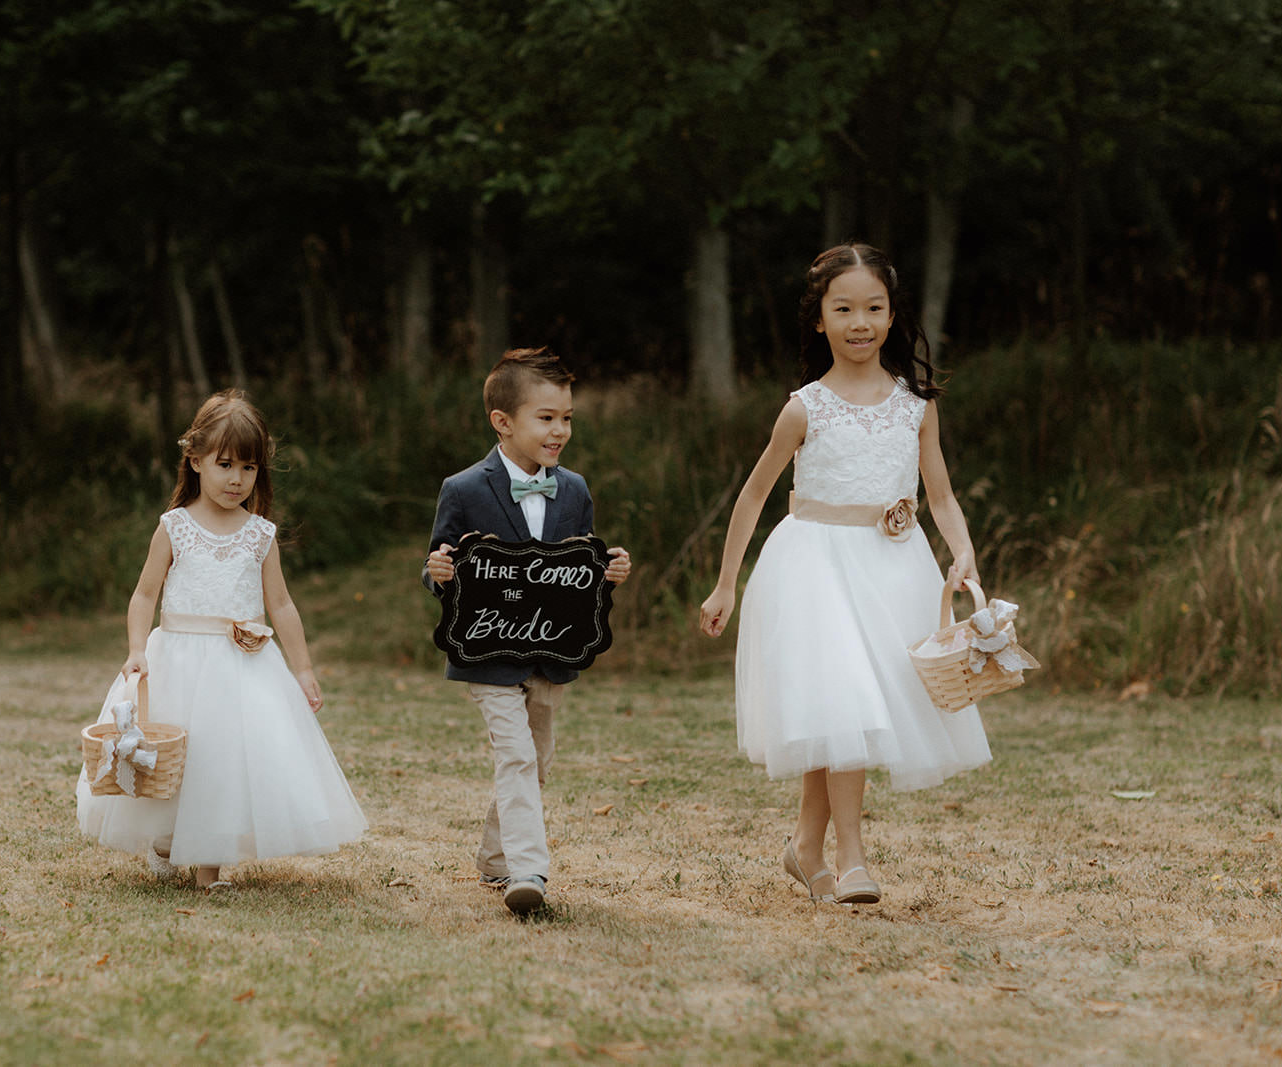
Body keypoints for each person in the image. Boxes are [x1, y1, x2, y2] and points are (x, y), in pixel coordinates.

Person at [698, 244, 991, 906]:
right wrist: (726, 584)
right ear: (821, 320)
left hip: (891, 569)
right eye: (844, 308)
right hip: (813, 566)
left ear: (892, 315)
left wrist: (962, 550)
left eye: (874, 307)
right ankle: (851, 859)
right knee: (847, 702)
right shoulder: (806, 406)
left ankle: (804, 849)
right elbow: (751, 496)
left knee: (844, 712)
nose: (861, 322)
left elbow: (939, 494)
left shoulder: (916, 404)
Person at [77, 390, 366, 888]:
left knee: (222, 762)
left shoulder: (260, 534)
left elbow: (282, 604)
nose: (237, 479)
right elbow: (144, 596)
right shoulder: (175, 527)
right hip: (178, 660)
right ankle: (169, 841)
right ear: (195, 461)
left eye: (249, 468)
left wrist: (302, 668)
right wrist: (137, 650)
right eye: (225, 464)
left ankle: (209, 868)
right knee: (173, 756)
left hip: (241, 665)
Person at [424, 347, 631, 915]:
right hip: (488, 651)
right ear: (503, 421)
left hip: (550, 652)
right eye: (546, 417)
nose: (560, 429)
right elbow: (440, 564)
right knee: (513, 754)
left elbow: (579, 575)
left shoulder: (576, 491)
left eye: (566, 418)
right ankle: (528, 871)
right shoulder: (464, 489)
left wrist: (608, 572)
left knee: (536, 757)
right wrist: (437, 572)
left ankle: (494, 857)